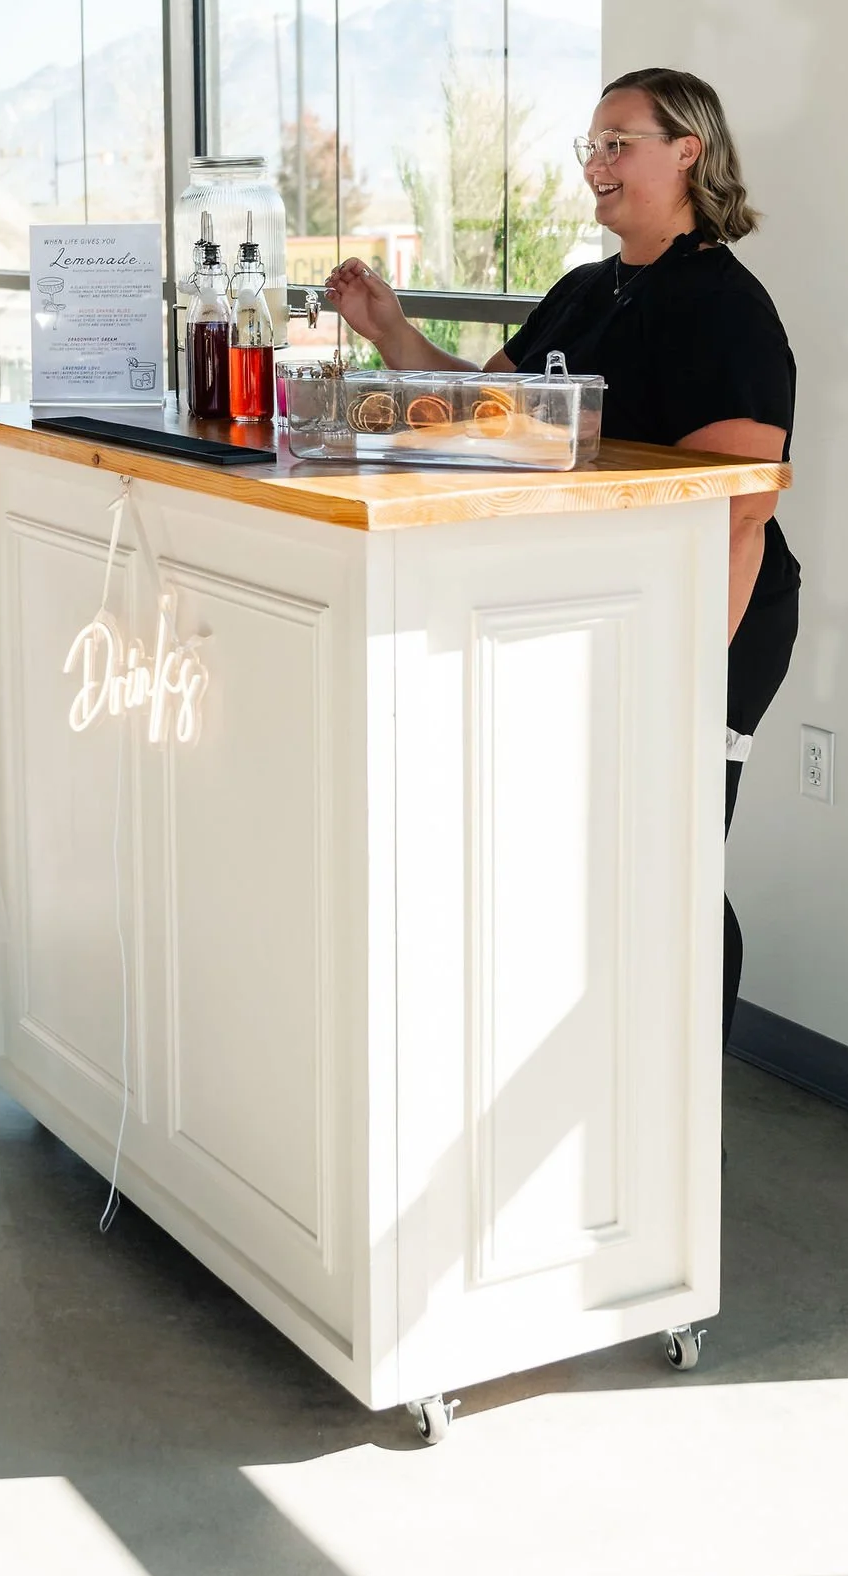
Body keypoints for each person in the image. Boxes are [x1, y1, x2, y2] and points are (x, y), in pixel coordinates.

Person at [327, 65, 797, 1041]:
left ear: (686, 153)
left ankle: (682, 1082)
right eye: (589, 145)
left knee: (667, 859)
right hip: (590, 603)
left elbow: (740, 510)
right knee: (591, 852)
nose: (596, 163)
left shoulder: (725, 309)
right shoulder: (585, 291)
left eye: (617, 141)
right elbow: (483, 416)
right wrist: (388, 330)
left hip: (708, 615)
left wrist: (684, 668)